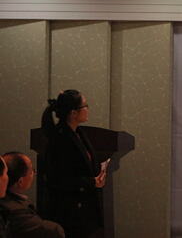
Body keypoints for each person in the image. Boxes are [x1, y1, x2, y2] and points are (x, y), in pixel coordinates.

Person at [41, 90, 106, 238]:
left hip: (82, 211)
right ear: (73, 113)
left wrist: (98, 176)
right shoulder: (59, 139)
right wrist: (91, 182)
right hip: (68, 214)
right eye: (85, 105)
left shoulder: (77, 133)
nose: (87, 109)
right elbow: (56, 179)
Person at [0, 152, 64, 238]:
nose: (34, 172)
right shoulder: (14, 211)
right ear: (20, 181)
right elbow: (54, 231)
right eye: (31, 170)